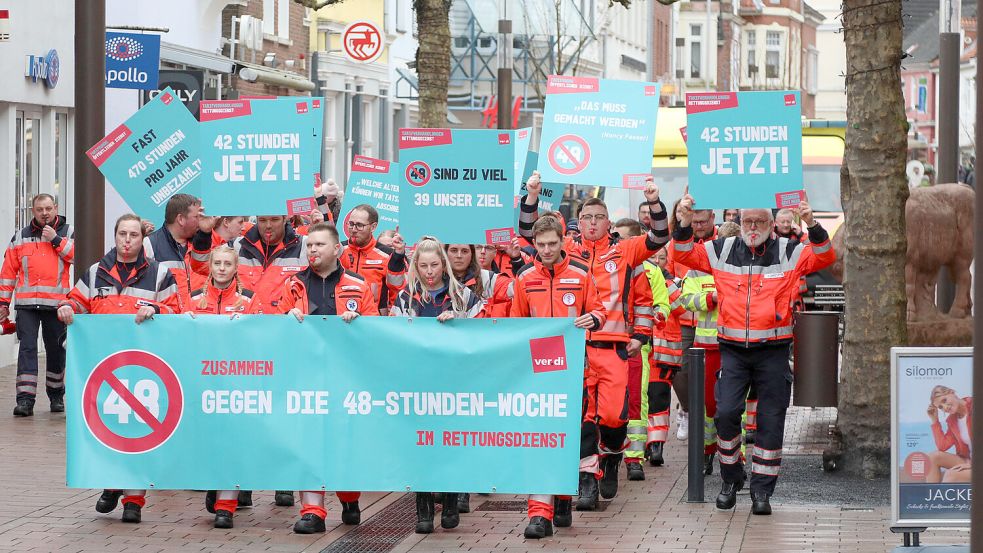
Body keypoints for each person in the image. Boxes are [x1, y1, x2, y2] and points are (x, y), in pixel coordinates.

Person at [673, 191, 835, 515]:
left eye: (760, 221)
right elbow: (684, 253)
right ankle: (732, 478)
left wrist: (813, 223)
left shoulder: (789, 251)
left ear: (772, 224)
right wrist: (683, 222)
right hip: (733, 351)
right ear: (737, 221)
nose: (752, 227)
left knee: (770, 422)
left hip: (773, 352)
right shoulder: (722, 248)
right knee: (725, 414)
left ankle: (763, 491)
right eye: (747, 220)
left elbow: (825, 256)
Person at [519, 173, 669, 510]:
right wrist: (531, 195)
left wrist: (655, 201)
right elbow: (531, 233)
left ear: (608, 222)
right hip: (576, 347)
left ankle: (612, 456)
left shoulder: (625, 249)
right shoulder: (567, 248)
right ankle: (587, 478)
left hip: (613, 346)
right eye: (586, 217)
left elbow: (660, 236)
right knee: (583, 415)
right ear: (578, 222)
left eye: (598, 217)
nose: (591, 223)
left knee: (615, 418)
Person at [57, 213, 180, 523]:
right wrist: (67, 308)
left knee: (139, 434)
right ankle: (112, 485)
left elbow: (177, 310)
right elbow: (76, 301)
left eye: (134, 235)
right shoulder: (96, 272)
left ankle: (134, 500)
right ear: (115, 236)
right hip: (104, 370)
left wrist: (156, 308)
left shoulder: (160, 275)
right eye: (122, 234)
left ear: (142, 239)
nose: (127, 240)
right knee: (109, 430)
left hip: (143, 370)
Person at [276, 222, 378, 534]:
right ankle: (312, 511)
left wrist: (359, 323)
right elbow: (275, 330)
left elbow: (375, 332)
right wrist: (286, 318)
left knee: (343, 444)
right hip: (306, 378)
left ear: (337, 249)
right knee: (308, 442)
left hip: (346, 380)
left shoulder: (359, 286)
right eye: (309, 245)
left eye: (319, 245)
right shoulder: (293, 285)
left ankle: (349, 497)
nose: (313, 250)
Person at [510, 215, 605, 539]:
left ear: (563, 240)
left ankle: (563, 498)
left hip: (574, 371)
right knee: (540, 440)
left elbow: (600, 310)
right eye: (541, 244)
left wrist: (592, 318)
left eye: (553, 243)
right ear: (534, 244)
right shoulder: (524, 277)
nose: (547, 249)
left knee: (569, 436)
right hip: (538, 374)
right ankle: (539, 515)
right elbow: (516, 324)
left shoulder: (580, 273)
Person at [390, 237, 483, 534]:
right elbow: (393, 337)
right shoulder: (406, 298)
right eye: (423, 265)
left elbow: (485, 332)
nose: (430, 272)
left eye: (434, 265)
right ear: (415, 266)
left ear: (444, 265)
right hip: (418, 383)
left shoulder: (464, 297)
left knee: (451, 443)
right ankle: (424, 508)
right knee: (421, 445)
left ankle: (452, 500)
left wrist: (459, 322)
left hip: (456, 383)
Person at [186, 245, 254, 528]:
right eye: (218, 263)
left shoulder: (248, 300)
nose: (222, 268)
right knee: (209, 440)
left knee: (234, 440)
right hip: (202, 382)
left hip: (236, 383)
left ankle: (227, 504)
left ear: (236, 267)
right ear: (210, 267)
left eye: (228, 263)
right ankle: (215, 485)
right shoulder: (193, 299)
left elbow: (257, 340)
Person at [0, 193, 74, 417]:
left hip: (56, 305)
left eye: (49, 209)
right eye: (40, 209)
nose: (45, 213)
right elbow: (8, 273)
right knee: (27, 350)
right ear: (33, 211)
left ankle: (56, 396)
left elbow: (78, 256)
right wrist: (3, 303)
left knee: (56, 351)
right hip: (27, 305)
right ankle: (25, 400)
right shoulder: (21, 236)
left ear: (56, 208)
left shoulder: (67, 232)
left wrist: (55, 240)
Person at [678, 220, 742, 475]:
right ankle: (707, 451)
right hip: (707, 347)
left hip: (737, 345)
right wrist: (710, 298)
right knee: (708, 405)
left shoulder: (745, 267)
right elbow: (685, 299)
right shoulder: (698, 269)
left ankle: (737, 456)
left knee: (736, 405)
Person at [610, 219, 665, 481]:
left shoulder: (646, 269)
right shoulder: (605, 264)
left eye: (620, 238)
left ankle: (634, 458)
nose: (615, 242)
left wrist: (641, 335)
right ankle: (607, 455)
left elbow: (652, 303)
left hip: (633, 345)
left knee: (636, 401)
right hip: (607, 343)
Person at [667, 204, 716, 442]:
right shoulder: (677, 242)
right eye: (694, 222)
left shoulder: (723, 242)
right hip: (684, 316)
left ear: (712, 218)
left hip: (713, 318)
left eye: (702, 222)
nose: (698, 227)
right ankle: (686, 409)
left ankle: (707, 417)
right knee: (680, 369)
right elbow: (664, 273)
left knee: (713, 374)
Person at [339, 205, 408, 314]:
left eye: (360, 225)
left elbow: (397, 292)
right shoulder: (339, 250)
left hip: (374, 320)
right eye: (351, 224)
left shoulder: (387, 255)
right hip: (342, 318)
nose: (353, 229)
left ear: (373, 227)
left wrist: (394, 321)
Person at [143, 193, 206, 311]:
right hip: (167, 322)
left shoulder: (203, 243)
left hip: (199, 321)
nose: (201, 221)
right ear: (181, 219)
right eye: (197, 217)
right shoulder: (149, 244)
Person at [446, 243, 514, 318]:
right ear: (445, 253)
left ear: (472, 254)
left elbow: (520, 290)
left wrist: (517, 260)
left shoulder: (491, 280)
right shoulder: (436, 280)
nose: (459, 255)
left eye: (465, 251)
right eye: (454, 250)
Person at [926, 385, 973, 483]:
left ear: (952, 392)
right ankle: (931, 497)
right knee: (932, 457)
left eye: (944, 400)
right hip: (968, 460)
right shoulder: (952, 420)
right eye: (940, 407)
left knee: (951, 475)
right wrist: (935, 420)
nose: (945, 407)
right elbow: (942, 446)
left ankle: (941, 498)